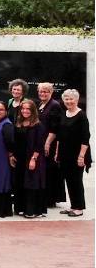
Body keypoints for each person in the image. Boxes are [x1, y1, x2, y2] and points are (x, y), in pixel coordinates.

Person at [54, 89, 91, 217]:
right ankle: (73, 205)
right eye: (66, 99)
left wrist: (81, 156)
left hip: (77, 154)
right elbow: (60, 135)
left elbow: (85, 137)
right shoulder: (64, 114)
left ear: (77, 99)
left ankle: (79, 207)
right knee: (69, 180)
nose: (69, 101)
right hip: (65, 153)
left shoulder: (81, 115)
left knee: (76, 180)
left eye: (71, 99)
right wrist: (57, 152)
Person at [37, 82, 65, 208]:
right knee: (43, 170)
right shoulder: (40, 105)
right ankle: (44, 196)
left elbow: (55, 128)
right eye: (41, 91)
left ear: (51, 92)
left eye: (45, 91)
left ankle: (51, 198)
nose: (42, 94)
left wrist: (47, 144)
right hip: (41, 141)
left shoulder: (55, 106)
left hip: (50, 144)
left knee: (49, 170)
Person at [18, 101, 47, 218]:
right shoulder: (20, 123)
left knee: (32, 184)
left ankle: (34, 210)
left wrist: (33, 158)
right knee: (22, 183)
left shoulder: (37, 125)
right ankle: (22, 208)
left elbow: (40, 143)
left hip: (33, 158)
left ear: (33, 110)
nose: (25, 111)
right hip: (21, 158)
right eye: (23, 109)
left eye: (28, 109)